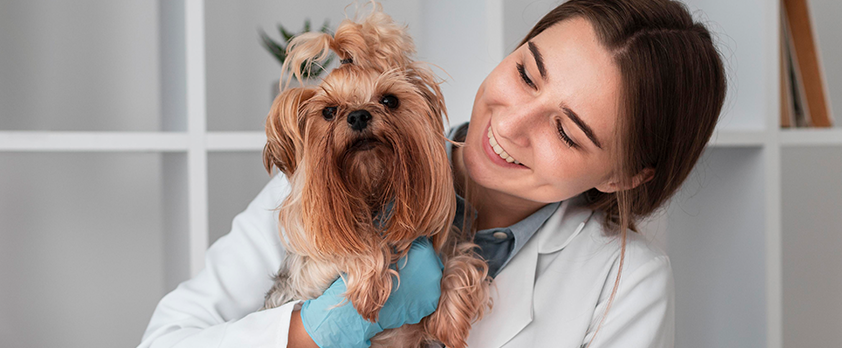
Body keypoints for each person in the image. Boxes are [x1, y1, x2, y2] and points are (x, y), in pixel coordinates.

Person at [138, 0, 726, 347]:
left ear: (624, 176)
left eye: (566, 131)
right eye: (526, 74)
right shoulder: (328, 182)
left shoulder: (624, 284)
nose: (511, 124)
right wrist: (312, 334)